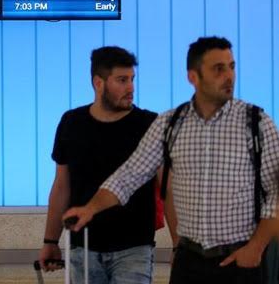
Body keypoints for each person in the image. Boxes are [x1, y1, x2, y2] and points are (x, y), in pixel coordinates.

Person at [63, 37, 279, 284]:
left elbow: (276, 191)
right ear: (193, 77)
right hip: (190, 260)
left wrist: (256, 246)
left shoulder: (256, 123)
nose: (229, 76)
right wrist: (90, 209)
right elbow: (129, 176)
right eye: (218, 69)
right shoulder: (170, 124)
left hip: (240, 257)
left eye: (231, 67)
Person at [38, 46, 158, 284]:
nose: (131, 88)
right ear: (98, 83)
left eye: (132, 79)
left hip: (134, 246)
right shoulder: (72, 123)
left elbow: (169, 187)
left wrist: (178, 246)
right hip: (83, 246)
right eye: (122, 80)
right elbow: (62, 185)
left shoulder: (148, 124)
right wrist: (50, 240)